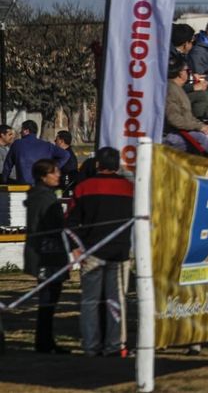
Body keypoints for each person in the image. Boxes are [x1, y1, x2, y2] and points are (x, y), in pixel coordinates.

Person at [67, 147, 134, 357]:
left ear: (97, 165)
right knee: (117, 301)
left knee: (90, 302)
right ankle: (115, 344)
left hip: (91, 252)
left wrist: (75, 248)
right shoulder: (130, 188)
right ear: (117, 165)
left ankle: (91, 345)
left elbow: (69, 221)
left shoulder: (84, 188)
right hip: (120, 252)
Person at [24, 159, 69, 354]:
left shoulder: (43, 195)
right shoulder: (43, 198)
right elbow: (50, 225)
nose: (58, 175)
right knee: (47, 300)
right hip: (46, 253)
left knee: (49, 300)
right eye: (54, 172)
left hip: (49, 251)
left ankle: (46, 340)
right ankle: (43, 342)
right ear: (44, 176)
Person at [163, 55, 208, 160]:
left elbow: (188, 117)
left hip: (181, 131)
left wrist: (202, 125)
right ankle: (207, 169)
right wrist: (198, 127)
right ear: (181, 73)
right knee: (207, 139)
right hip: (170, 135)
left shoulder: (177, 88)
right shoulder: (170, 89)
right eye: (187, 70)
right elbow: (174, 119)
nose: (188, 73)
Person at [2, 120, 70, 185]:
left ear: (26, 131)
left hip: (23, 185)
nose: (20, 132)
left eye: (22, 130)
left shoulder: (17, 144)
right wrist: (52, 167)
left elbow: (7, 166)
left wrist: (4, 181)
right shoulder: (47, 146)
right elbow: (66, 154)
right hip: (42, 184)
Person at [171, 23, 208, 120]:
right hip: (172, 98)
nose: (193, 46)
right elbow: (171, 87)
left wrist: (193, 77)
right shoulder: (171, 59)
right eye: (192, 42)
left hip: (181, 92)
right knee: (205, 96)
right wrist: (193, 87)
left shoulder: (181, 55)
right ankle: (195, 125)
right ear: (185, 44)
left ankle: (204, 122)